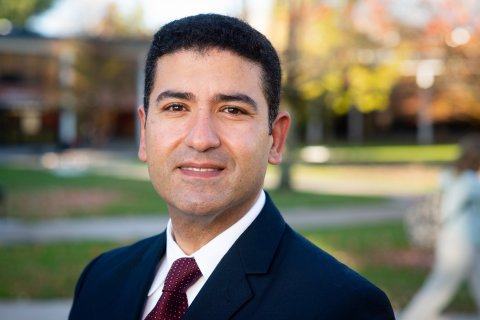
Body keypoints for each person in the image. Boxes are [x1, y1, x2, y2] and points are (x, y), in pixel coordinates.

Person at [69, 14, 395, 320]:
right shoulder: (101, 279)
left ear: (276, 139)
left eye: (232, 110)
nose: (201, 139)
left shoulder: (341, 307)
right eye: (176, 106)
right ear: (145, 132)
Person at [401, 134, 480, 320]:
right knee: (441, 284)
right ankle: (413, 317)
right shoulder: (471, 183)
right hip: (462, 242)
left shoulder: (450, 176)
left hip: (457, 239)